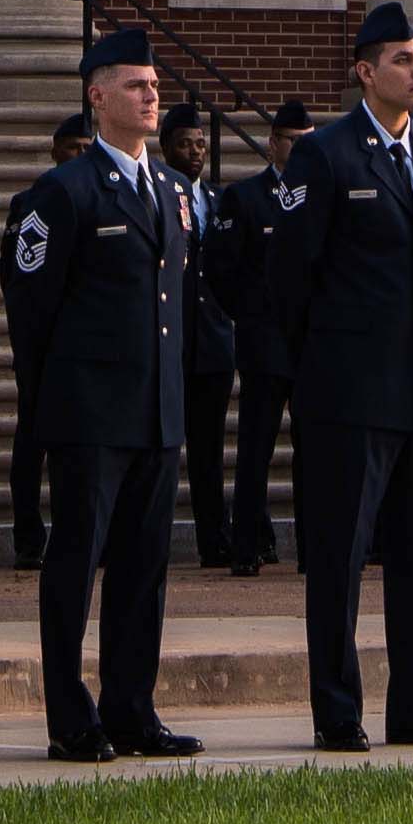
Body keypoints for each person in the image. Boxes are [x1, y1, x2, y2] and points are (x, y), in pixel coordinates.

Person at [275, 7, 413, 749]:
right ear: (366, 73)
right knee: (339, 557)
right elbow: (292, 277)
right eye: (403, 60)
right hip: (350, 391)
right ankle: (338, 710)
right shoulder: (326, 155)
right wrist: (320, 369)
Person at [2, 28, 206, 763]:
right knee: (75, 565)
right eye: (135, 85)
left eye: (154, 85)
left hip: (156, 412)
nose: (152, 96)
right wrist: (53, 401)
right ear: (97, 96)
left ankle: (131, 709)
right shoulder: (63, 193)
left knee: (145, 570)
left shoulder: (174, 192)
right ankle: (71, 717)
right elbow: (31, 307)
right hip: (89, 414)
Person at [209, 100, 310, 576]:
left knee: (316, 454)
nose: (301, 149)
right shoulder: (246, 197)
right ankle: (246, 547)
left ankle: (314, 551)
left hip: (312, 346)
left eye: (309, 141)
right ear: (273, 145)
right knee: (255, 451)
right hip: (264, 343)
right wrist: (251, 315)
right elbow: (221, 269)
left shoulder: (324, 192)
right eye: (293, 140)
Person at [18, 108, 95, 566]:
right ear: (55, 151)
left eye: (87, 148)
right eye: (73, 148)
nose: (80, 155)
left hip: (84, 358)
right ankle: (28, 537)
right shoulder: (34, 201)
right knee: (30, 448)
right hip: (44, 351)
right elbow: (22, 282)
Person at [176, 107, 245, 569]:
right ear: (166, 147)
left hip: (214, 342)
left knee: (209, 451)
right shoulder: (158, 194)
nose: (195, 152)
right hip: (172, 342)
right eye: (185, 144)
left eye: (201, 144)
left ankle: (214, 539)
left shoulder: (220, 201)